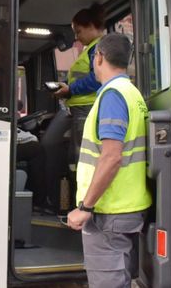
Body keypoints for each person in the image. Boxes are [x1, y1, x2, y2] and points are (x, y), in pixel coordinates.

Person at [66, 33, 151, 288]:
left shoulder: (112, 95)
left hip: (109, 212)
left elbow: (112, 157)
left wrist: (85, 208)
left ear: (99, 57)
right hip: (127, 207)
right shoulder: (132, 93)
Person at [42, 3, 105, 211]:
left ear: (91, 26)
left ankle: (82, 207)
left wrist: (70, 90)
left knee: (81, 160)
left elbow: (96, 79)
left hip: (86, 110)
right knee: (71, 156)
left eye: (78, 31)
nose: (76, 37)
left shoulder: (98, 48)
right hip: (78, 109)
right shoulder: (91, 49)